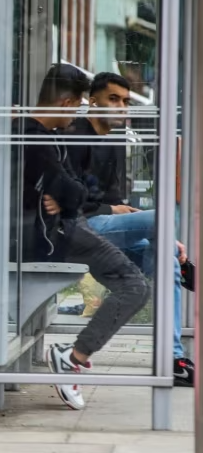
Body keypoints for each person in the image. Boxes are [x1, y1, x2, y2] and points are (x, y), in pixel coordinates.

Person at [22, 63, 151, 410]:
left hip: (64, 227)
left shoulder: (48, 137)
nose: (79, 114)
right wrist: (65, 195)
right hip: (58, 235)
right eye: (79, 104)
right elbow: (75, 193)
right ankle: (72, 355)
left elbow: (76, 190)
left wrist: (64, 195)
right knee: (136, 284)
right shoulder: (38, 140)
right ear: (68, 104)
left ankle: (75, 355)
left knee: (150, 264)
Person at [64, 72, 194, 387]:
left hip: (105, 227)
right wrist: (116, 210)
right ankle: (186, 268)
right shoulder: (74, 135)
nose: (121, 107)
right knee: (164, 219)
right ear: (92, 100)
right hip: (80, 228)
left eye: (125, 101)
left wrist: (133, 217)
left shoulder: (115, 139)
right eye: (113, 99)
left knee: (164, 258)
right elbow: (70, 201)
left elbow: (112, 198)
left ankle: (172, 357)